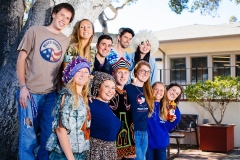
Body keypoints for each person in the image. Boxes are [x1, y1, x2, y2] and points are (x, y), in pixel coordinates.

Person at [16, 3, 75, 160]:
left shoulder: (65, 41)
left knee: (48, 136)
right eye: (62, 15)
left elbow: (65, 68)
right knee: (28, 139)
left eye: (68, 18)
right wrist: (22, 87)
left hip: (50, 96)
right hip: (29, 93)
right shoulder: (35, 31)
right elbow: (21, 59)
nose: (64, 19)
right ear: (54, 14)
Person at [46, 56, 91, 160]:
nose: (83, 74)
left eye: (86, 71)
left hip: (80, 153)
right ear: (72, 74)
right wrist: (71, 158)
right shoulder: (67, 95)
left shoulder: (83, 98)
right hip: (64, 155)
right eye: (79, 71)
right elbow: (60, 129)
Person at [88, 71, 121, 160]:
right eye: (107, 87)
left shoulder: (109, 107)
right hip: (96, 153)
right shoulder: (90, 105)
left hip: (110, 152)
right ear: (98, 87)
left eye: (113, 88)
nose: (111, 91)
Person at [125, 60, 154, 160]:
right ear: (136, 72)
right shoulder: (127, 88)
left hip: (144, 133)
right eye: (143, 71)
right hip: (133, 132)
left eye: (148, 72)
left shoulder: (148, 90)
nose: (145, 74)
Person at [146, 82, 182, 160]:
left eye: (177, 93)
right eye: (173, 90)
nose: (174, 94)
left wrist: (170, 121)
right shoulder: (151, 103)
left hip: (160, 143)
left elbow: (167, 129)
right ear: (167, 89)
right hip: (147, 142)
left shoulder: (175, 111)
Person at [109, 57, 136, 159]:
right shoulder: (109, 92)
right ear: (113, 74)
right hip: (113, 139)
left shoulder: (130, 91)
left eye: (125, 73)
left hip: (129, 138)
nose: (123, 75)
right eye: (120, 72)